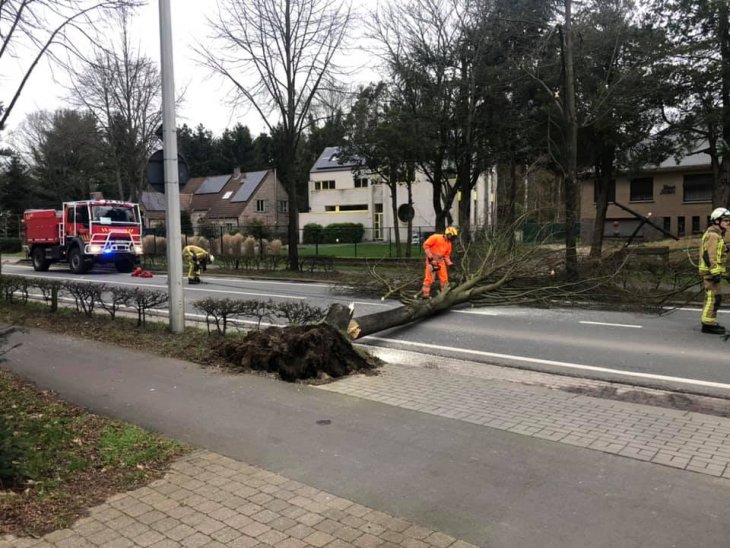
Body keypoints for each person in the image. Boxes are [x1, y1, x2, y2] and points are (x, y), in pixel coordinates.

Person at [698, 207, 730, 334]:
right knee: (713, 298)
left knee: (714, 297)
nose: (728, 223)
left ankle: (709, 321)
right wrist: (715, 272)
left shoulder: (716, 234)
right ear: (717, 221)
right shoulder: (713, 235)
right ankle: (708, 324)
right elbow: (710, 255)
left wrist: (726, 249)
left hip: (712, 272)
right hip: (711, 272)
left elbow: (716, 251)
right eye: (726, 220)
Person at [420, 226, 459, 299]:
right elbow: (426, 245)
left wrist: (450, 264)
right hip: (431, 261)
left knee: (444, 279)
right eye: (452, 236)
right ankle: (425, 295)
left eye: (454, 237)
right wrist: (430, 258)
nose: (452, 238)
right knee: (429, 279)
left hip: (441, 261)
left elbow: (446, 256)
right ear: (448, 234)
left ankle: (444, 294)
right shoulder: (435, 237)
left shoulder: (449, 244)